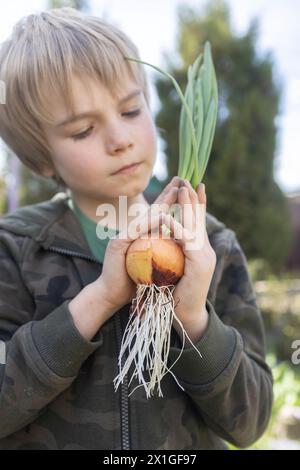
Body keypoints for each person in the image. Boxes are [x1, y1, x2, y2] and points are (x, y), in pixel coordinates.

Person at [0, 7, 273, 450]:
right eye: (84, 130)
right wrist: (100, 299)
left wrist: (193, 318)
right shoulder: (15, 248)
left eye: (130, 109)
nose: (120, 139)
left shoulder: (212, 243)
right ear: (41, 159)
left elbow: (251, 421)